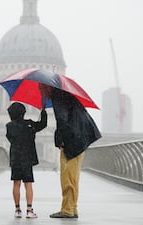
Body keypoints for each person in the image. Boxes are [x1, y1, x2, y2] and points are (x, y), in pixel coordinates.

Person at [38, 83, 101, 219]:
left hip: (74, 139)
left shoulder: (58, 97)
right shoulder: (64, 95)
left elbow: (62, 120)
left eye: (41, 90)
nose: (41, 94)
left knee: (67, 176)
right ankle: (72, 208)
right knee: (73, 176)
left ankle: (67, 210)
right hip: (80, 136)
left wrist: (61, 141)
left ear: (48, 87)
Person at [6, 102, 47, 219]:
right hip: (27, 158)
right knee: (28, 184)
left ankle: (17, 209)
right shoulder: (29, 125)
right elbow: (43, 124)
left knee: (16, 183)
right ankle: (29, 210)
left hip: (16, 158)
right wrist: (43, 111)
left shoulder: (9, 126)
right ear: (23, 113)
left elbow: (10, 139)